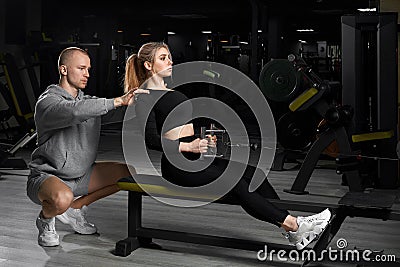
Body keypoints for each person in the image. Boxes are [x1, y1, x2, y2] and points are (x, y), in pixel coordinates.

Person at [124, 42, 331, 250]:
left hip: (197, 160)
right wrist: (190, 147)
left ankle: (292, 226)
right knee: (237, 182)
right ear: (148, 65)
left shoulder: (169, 91)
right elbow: (151, 140)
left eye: (169, 56)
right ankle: (295, 226)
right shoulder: (144, 97)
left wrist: (204, 139)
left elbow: (181, 128)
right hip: (177, 168)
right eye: (163, 58)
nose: (170, 61)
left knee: (254, 174)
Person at [27, 46, 148, 247]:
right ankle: (46, 220)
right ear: (64, 70)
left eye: (89, 69)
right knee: (61, 198)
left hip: (82, 176)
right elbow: (74, 112)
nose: (87, 74)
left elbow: (120, 113)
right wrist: (117, 101)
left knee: (127, 174)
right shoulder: (47, 102)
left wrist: (145, 100)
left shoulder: (89, 102)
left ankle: (76, 208)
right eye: (81, 68)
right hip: (47, 178)